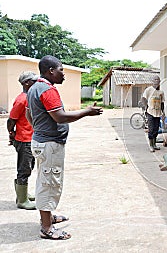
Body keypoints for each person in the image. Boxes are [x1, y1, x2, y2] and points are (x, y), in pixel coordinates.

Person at [26, 55, 102, 240]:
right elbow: (60, 117)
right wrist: (87, 112)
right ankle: (46, 228)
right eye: (61, 70)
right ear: (51, 71)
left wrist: (39, 129)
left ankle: (48, 217)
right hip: (49, 145)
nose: (64, 74)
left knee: (46, 180)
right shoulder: (47, 90)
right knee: (49, 184)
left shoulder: (34, 87)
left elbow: (29, 115)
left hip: (43, 142)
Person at [7, 71, 39, 210]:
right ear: (26, 83)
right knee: (24, 169)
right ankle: (22, 200)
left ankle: (23, 194)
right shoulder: (22, 99)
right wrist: (11, 133)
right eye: (34, 81)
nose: (37, 83)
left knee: (29, 167)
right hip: (24, 139)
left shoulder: (30, 97)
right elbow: (11, 120)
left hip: (30, 138)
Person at [141, 75, 165, 152]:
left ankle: (154, 144)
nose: (157, 81)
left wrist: (163, 112)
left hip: (158, 113)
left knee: (156, 129)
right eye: (155, 79)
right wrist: (146, 107)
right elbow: (143, 99)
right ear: (152, 81)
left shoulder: (161, 92)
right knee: (151, 129)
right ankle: (151, 145)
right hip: (150, 112)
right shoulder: (148, 90)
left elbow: (162, 103)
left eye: (158, 79)